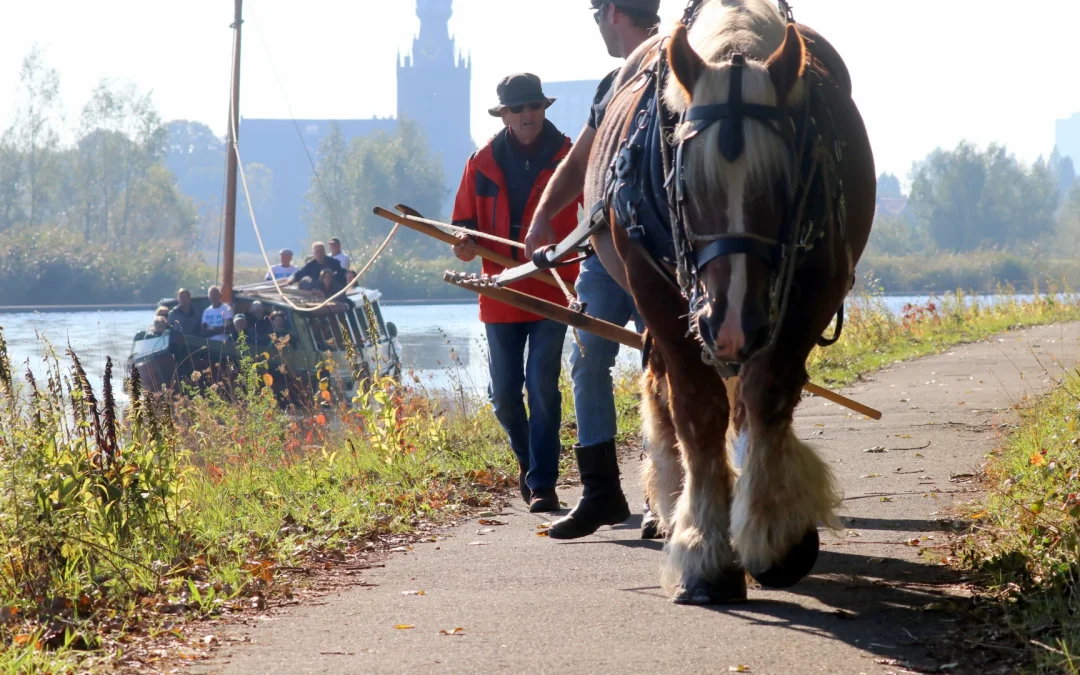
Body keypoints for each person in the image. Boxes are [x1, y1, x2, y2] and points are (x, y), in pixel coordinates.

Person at [524, 0, 661, 540]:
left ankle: (663, 494)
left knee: (667, 369)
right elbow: (579, 161)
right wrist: (540, 224)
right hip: (603, 253)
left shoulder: (676, 68)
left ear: (611, 14)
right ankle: (601, 491)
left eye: (595, 14)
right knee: (586, 363)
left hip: (659, 260)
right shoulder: (611, 85)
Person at [452, 72, 582, 513]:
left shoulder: (570, 159)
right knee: (505, 396)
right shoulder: (481, 162)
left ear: (544, 108)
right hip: (500, 292)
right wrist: (465, 245)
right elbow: (463, 232)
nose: (527, 115)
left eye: (534, 106)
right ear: (504, 114)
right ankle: (530, 465)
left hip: (551, 291)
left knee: (543, 386)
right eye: (518, 108)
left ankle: (543, 483)